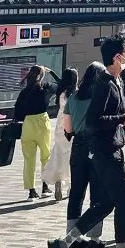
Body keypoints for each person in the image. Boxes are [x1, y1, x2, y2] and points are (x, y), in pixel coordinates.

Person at [48, 33, 125, 248]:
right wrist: (121, 119)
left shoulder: (117, 81)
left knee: (106, 202)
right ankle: (120, 245)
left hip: (107, 149)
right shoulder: (105, 83)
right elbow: (94, 120)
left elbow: (124, 114)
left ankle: (67, 241)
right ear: (117, 56)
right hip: (105, 150)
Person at [63, 62, 106, 245]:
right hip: (97, 145)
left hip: (78, 145)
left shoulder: (73, 98)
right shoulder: (100, 97)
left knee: (77, 191)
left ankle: (72, 234)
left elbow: (68, 127)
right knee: (97, 190)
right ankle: (94, 235)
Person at [14, 65, 57, 200]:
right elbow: (62, 84)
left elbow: (17, 112)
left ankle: (31, 191)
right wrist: (51, 72)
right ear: (41, 76)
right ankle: (45, 187)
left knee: (29, 159)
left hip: (27, 123)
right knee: (46, 156)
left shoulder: (24, 92)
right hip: (42, 121)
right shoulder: (45, 87)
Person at [42, 68, 78, 201]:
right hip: (72, 122)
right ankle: (70, 186)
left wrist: (52, 72)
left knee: (58, 152)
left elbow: (59, 81)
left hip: (60, 123)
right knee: (71, 154)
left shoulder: (60, 92)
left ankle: (58, 181)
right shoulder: (76, 93)